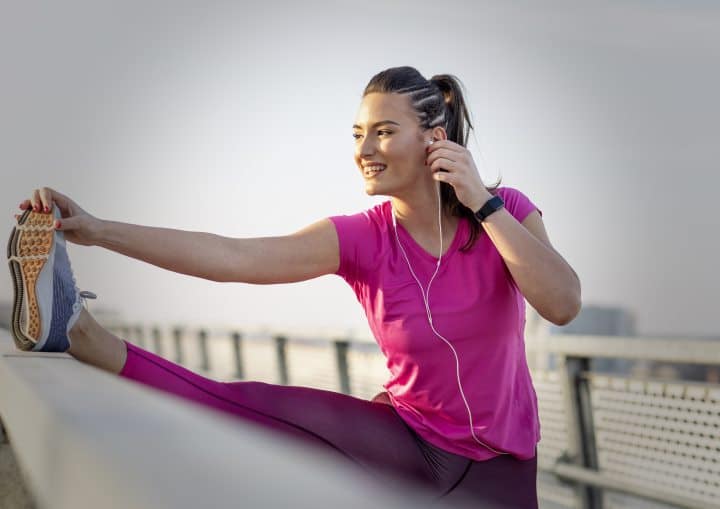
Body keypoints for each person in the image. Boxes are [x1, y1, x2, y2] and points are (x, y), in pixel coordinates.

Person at [8, 66, 581, 508]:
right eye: (358, 134)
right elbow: (232, 256)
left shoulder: (507, 216)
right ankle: (79, 332)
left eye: (384, 132)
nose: (364, 150)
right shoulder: (362, 238)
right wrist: (97, 229)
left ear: (435, 139)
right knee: (246, 405)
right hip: (405, 442)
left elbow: (562, 303)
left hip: (504, 473)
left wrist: (483, 201)